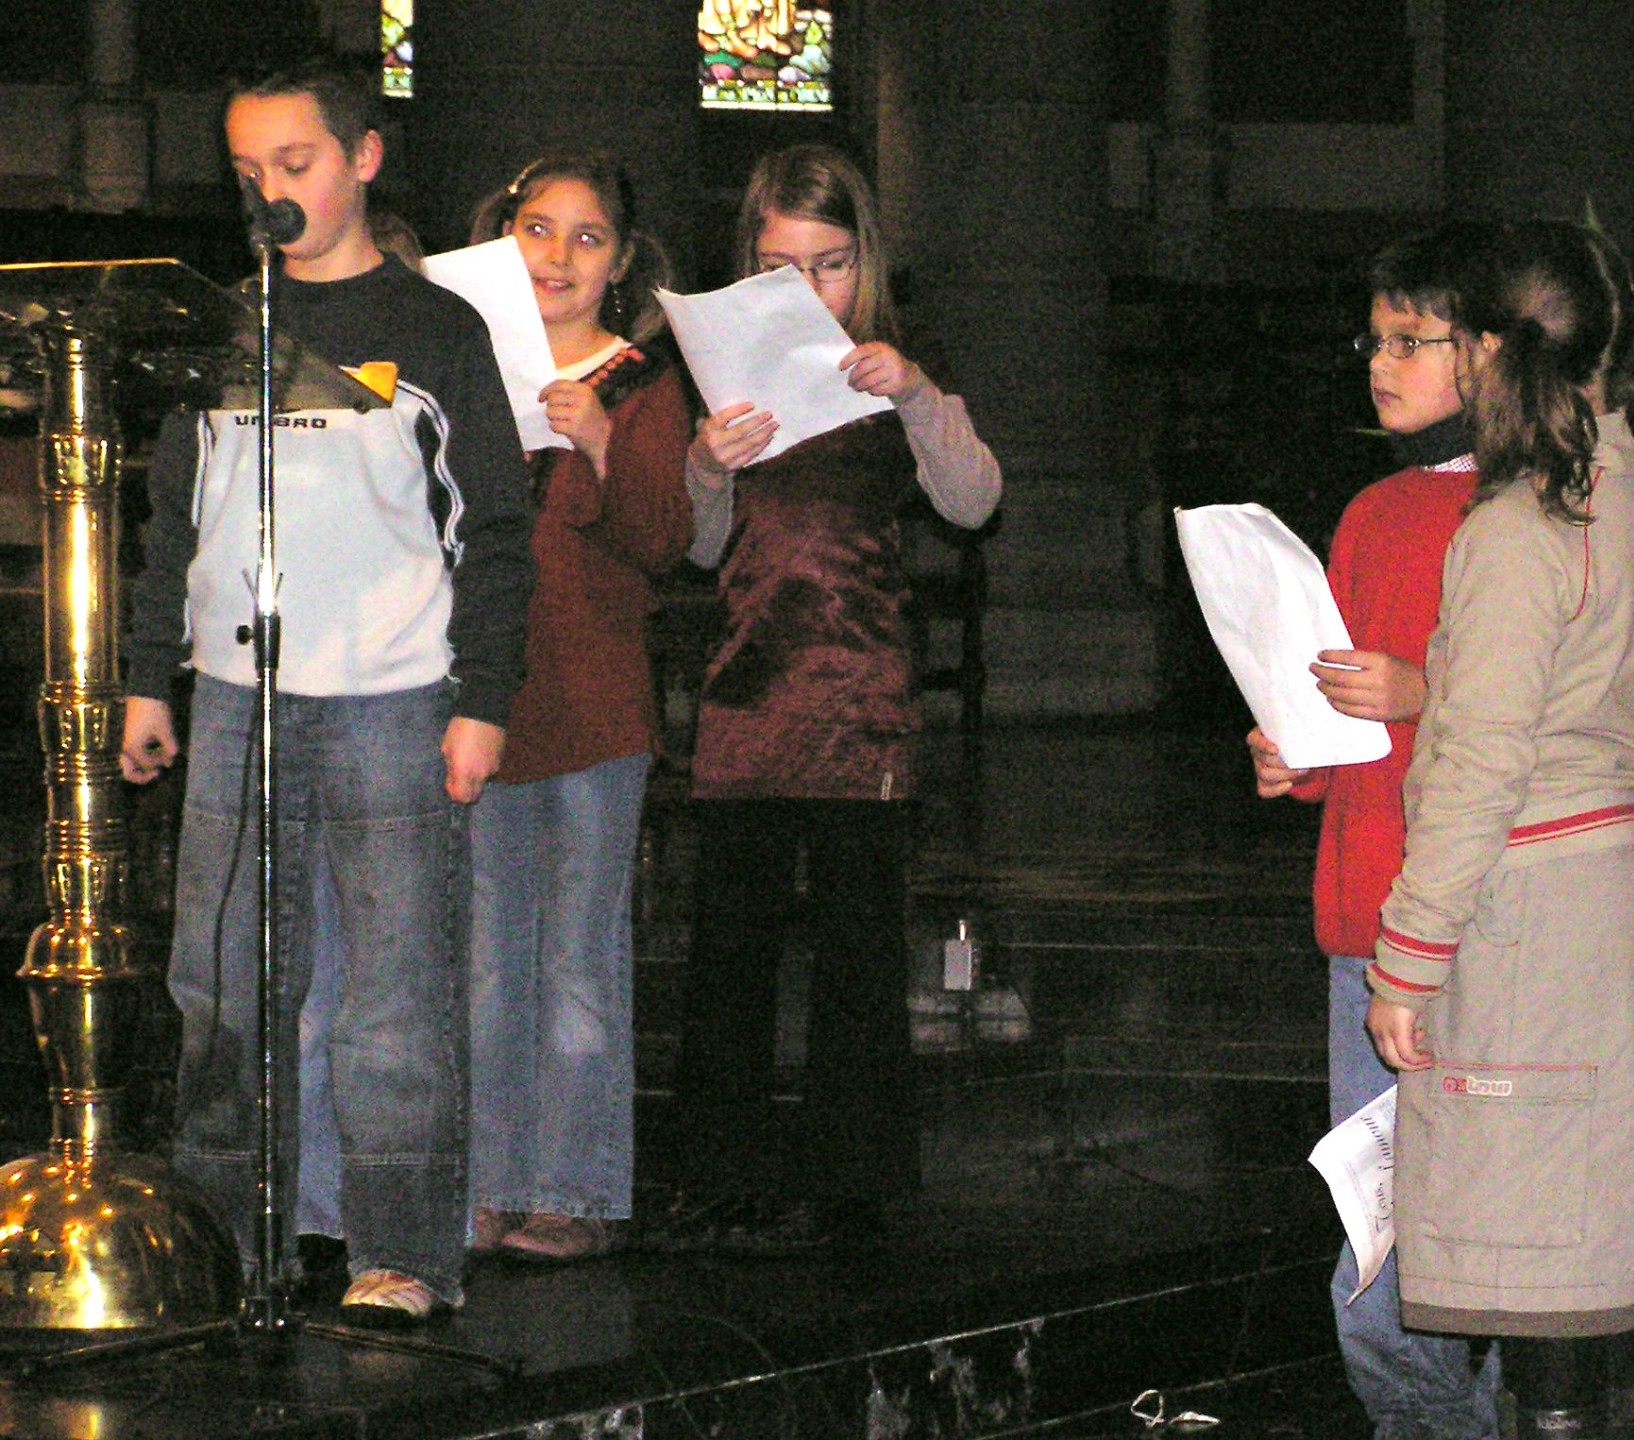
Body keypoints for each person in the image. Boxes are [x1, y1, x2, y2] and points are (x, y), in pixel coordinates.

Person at [120, 60, 533, 1328]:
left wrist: (484, 699)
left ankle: (400, 1251)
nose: (269, 192)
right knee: (221, 986)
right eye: (247, 171)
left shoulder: (435, 329)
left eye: (294, 164)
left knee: (393, 1000)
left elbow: (494, 529)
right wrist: (147, 680)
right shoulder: (216, 327)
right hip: (236, 693)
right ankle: (224, 1240)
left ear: (363, 158)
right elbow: (172, 521)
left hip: (391, 697)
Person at [1364, 221, 1634, 1439]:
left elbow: (1479, 765)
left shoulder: (1523, 526)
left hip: (1532, 913)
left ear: (1495, 350)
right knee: (1596, 1252)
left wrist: (1408, 959)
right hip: (1612, 888)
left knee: (1539, 1260)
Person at [676, 143, 1001, 1252]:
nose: (810, 289)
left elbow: (973, 503)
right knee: (732, 944)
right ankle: (720, 1173)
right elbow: (699, 545)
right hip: (747, 685)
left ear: (867, 260)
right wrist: (708, 464)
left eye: (831, 264)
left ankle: (852, 1179)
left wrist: (917, 395)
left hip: (860, 689)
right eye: (782, 268)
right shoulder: (721, 373)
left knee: (861, 948)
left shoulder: (901, 363)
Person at [1246, 227, 1501, 1440]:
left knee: (1480, 1233)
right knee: (1377, 1238)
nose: (1381, 364)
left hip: (1474, 929)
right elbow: (1335, 709)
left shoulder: (1523, 515)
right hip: (1363, 919)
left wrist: (1421, 693)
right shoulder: (1371, 510)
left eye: (1412, 341)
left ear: (1488, 354)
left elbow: (1556, 718)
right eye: (1375, 340)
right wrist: (1294, 755)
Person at [462, 152, 694, 1263]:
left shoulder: (643, 382)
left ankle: (576, 1189)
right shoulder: (465, 368)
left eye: (587, 236)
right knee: (487, 960)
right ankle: (489, 1182)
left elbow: (666, 542)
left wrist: (598, 441)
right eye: (538, 230)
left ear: (622, 261)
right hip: (480, 698)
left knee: (578, 964)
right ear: (502, 239)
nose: (558, 256)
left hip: (594, 701)